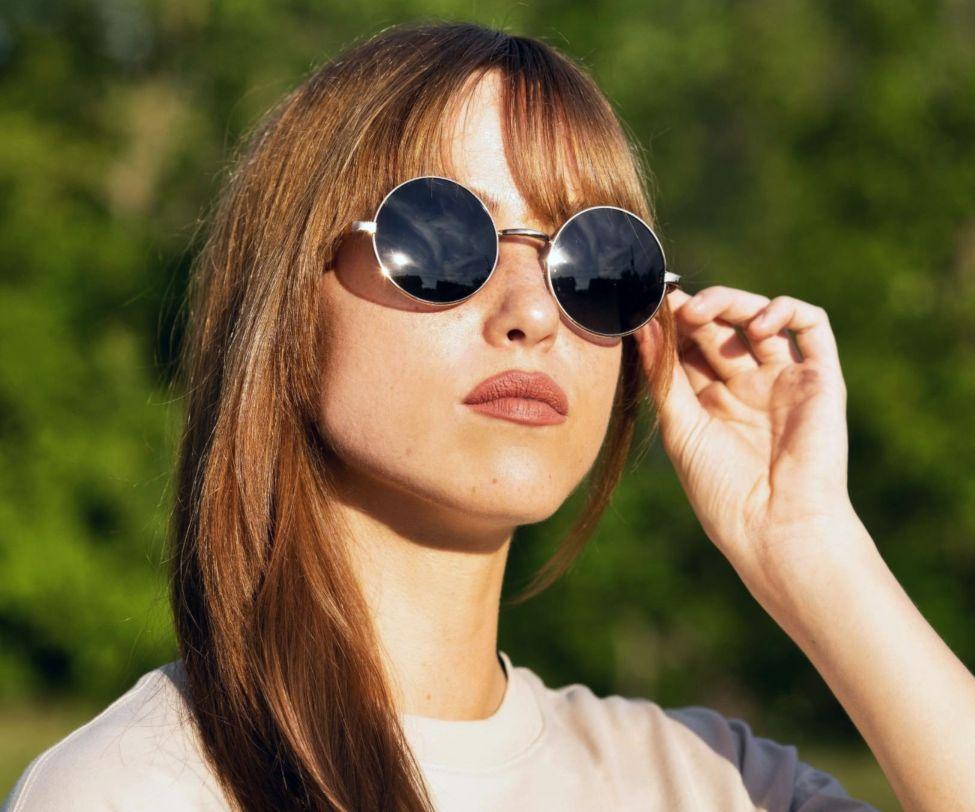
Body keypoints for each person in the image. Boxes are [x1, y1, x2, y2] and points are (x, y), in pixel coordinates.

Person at [4, 19, 974, 812]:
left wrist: (810, 546)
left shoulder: (708, 784)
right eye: (444, 237)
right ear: (290, 309)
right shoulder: (139, 789)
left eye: (595, 261)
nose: (532, 312)